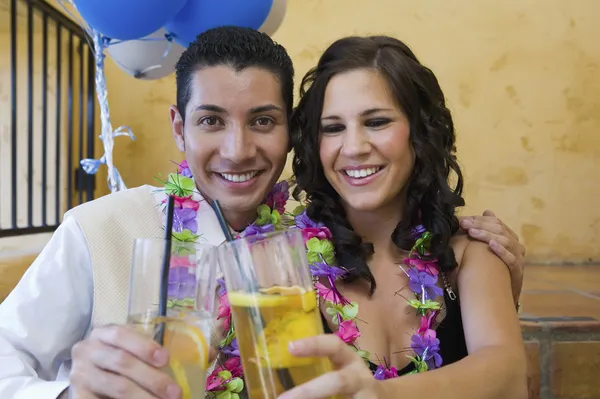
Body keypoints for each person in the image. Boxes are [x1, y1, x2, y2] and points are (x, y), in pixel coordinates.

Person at [0, 27, 525, 399]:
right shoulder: (103, 229)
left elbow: (500, 368)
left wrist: (495, 277)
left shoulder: (305, 240)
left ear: (290, 132)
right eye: (210, 121)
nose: (237, 149)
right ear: (179, 129)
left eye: (262, 121)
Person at [280, 35, 528, 399]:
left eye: (377, 121)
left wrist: (379, 395)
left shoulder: (472, 252)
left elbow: (508, 376)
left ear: (420, 131)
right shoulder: (285, 262)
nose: (354, 147)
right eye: (333, 128)